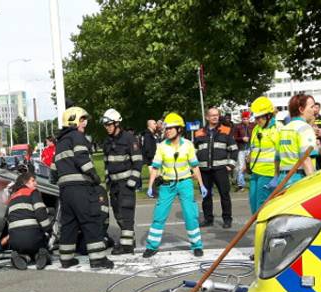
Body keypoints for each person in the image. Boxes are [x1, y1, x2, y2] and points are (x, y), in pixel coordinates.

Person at [50, 106, 114, 269]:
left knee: (69, 224)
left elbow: (53, 169)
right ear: (73, 120)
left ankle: (66, 258)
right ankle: (98, 259)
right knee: (90, 220)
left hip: (65, 191)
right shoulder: (77, 136)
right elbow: (81, 158)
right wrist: (93, 175)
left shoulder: (60, 142)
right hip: (80, 188)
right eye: (82, 119)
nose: (85, 123)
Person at [143, 112, 206, 258]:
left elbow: (195, 166)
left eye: (171, 128)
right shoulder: (161, 146)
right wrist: (150, 185)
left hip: (185, 184)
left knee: (191, 216)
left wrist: (201, 185)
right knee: (159, 216)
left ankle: (197, 245)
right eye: (166, 128)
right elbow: (155, 167)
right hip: (167, 185)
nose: (167, 131)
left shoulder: (188, 145)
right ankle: (152, 246)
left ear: (179, 129)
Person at [101, 108, 142, 255]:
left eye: (109, 124)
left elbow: (138, 162)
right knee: (118, 214)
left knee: (127, 214)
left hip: (126, 184)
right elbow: (106, 163)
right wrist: (107, 180)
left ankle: (126, 246)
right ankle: (129, 239)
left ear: (117, 123)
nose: (107, 127)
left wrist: (132, 182)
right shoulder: (107, 142)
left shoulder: (129, 139)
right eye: (105, 125)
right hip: (114, 186)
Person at [193, 107, 238, 229]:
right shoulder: (198, 133)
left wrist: (230, 165)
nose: (215, 117)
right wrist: (194, 168)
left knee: (224, 194)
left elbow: (234, 149)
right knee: (205, 195)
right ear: (207, 117)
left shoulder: (226, 130)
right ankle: (208, 219)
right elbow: (193, 152)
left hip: (221, 169)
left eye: (217, 115)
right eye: (212, 115)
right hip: (204, 170)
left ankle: (227, 219)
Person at [6, 172, 52, 270]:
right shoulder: (32, 192)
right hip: (33, 238)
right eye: (33, 180)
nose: (36, 184)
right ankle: (42, 255)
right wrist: (49, 230)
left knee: (25, 250)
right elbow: (40, 212)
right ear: (25, 182)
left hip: (15, 241)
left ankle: (22, 257)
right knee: (41, 244)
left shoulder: (11, 197)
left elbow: (8, 218)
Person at [276, 94, 317, 187]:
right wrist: (314, 182)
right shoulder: (304, 128)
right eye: (312, 107)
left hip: (283, 179)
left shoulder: (284, 129)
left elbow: (278, 157)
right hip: (299, 178)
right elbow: (305, 158)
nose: (314, 109)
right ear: (301, 109)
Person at [247, 96, 280, 213]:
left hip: (268, 174)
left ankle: (263, 230)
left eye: (259, 117)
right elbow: (253, 148)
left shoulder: (276, 129)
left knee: (262, 208)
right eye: (255, 118)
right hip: (255, 172)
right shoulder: (256, 129)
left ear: (269, 115)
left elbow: (280, 154)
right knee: (253, 205)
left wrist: (276, 175)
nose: (257, 120)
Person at [232, 111, 254, 190]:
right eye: (244, 119)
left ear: (249, 118)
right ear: (242, 119)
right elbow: (234, 137)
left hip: (251, 148)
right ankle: (241, 184)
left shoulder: (253, 125)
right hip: (241, 149)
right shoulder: (238, 126)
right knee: (241, 167)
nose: (245, 120)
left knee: (252, 166)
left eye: (247, 118)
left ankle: (253, 182)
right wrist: (242, 138)